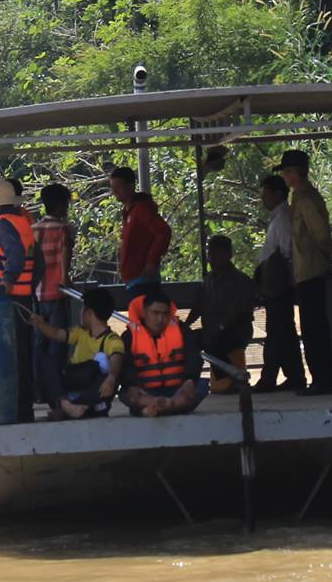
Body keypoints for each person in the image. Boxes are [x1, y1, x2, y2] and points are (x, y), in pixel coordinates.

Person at [279, 149, 332, 395]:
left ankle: (324, 380)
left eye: (286, 171)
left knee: (315, 330)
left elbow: (321, 234)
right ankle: (321, 380)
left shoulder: (306, 200)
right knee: (311, 328)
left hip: (312, 271)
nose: (284, 176)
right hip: (305, 272)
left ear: (294, 173)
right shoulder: (299, 198)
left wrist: (324, 261)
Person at [0, 177, 36, 422]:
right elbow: (38, 262)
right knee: (21, 356)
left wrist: (8, 281)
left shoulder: (3, 225)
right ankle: (24, 409)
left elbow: (16, 255)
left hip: (7, 301)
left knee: (8, 357)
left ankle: (13, 410)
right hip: (23, 299)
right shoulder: (23, 222)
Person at [27, 287, 124, 419]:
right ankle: (67, 406)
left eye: (82, 309)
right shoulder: (80, 333)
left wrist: (111, 377)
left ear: (90, 313)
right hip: (73, 387)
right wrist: (40, 323)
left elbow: (116, 357)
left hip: (92, 394)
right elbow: (56, 334)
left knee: (107, 366)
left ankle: (69, 408)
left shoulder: (111, 339)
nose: (80, 313)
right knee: (46, 360)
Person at [253, 171, 304, 392]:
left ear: (277, 193)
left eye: (265, 193)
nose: (263, 198)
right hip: (276, 282)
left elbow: (285, 252)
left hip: (279, 283)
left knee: (276, 331)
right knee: (286, 332)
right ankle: (295, 376)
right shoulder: (278, 217)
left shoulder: (282, 218)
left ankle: (269, 377)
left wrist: (281, 281)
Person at [123, 287, 208, 417]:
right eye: (155, 313)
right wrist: (131, 384)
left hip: (178, 390)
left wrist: (189, 380)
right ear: (145, 312)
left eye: (164, 314)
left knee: (202, 386)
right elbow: (125, 365)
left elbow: (194, 355)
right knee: (125, 393)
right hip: (146, 392)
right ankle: (171, 406)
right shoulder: (129, 336)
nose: (160, 318)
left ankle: (154, 409)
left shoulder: (182, 330)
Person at [188, 234, 257, 392]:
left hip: (235, 332)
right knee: (189, 341)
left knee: (216, 341)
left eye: (218, 255)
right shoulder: (208, 281)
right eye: (210, 255)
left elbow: (242, 314)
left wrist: (219, 329)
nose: (213, 259)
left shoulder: (240, 281)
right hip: (212, 331)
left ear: (229, 255)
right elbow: (198, 306)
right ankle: (191, 382)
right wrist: (184, 326)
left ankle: (232, 378)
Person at [30, 183, 76, 406]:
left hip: (36, 295)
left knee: (39, 343)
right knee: (58, 341)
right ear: (60, 206)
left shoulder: (34, 229)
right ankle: (55, 387)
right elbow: (64, 257)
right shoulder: (63, 229)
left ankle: (39, 388)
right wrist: (66, 279)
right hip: (57, 293)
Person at [109, 165, 171, 295]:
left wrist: (151, 262)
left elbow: (163, 232)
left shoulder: (141, 209)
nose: (115, 192)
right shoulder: (129, 211)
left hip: (142, 278)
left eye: (118, 187)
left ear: (131, 186)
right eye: (113, 188)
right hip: (134, 278)